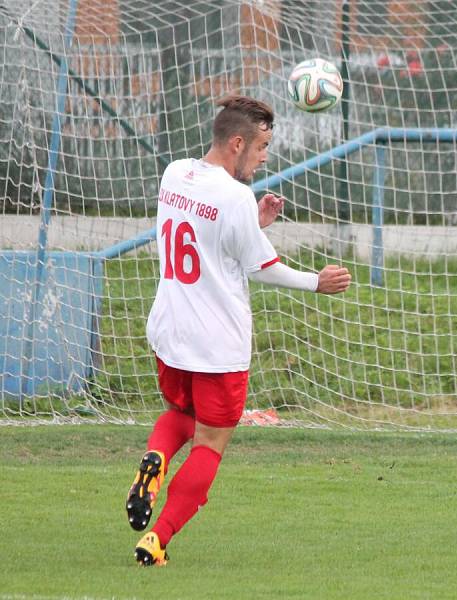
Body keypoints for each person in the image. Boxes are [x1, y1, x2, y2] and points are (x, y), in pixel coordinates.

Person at [126, 95, 351, 565]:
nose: (265, 156)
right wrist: (316, 282)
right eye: (262, 145)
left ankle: (156, 460)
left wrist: (254, 222)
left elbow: (208, 235)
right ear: (236, 143)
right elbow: (262, 266)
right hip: (218, 345)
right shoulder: (233, 197)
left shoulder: (175, 173)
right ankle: (158, 539)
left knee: (180, 415)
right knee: (210, 442)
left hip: (170, 332)